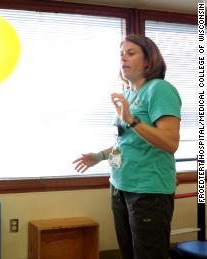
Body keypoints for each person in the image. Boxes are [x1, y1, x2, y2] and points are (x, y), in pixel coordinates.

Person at [73, 34, 181, 259]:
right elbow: (124, 142)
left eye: (131, 53)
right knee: (128, 253)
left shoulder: (159, 89)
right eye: (121, 54)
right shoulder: (129, 95)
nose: (123, 58)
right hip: (120, 186)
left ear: (149, 61)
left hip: (148, 191)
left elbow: (170, 143)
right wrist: (99, 156)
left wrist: (131, 119)